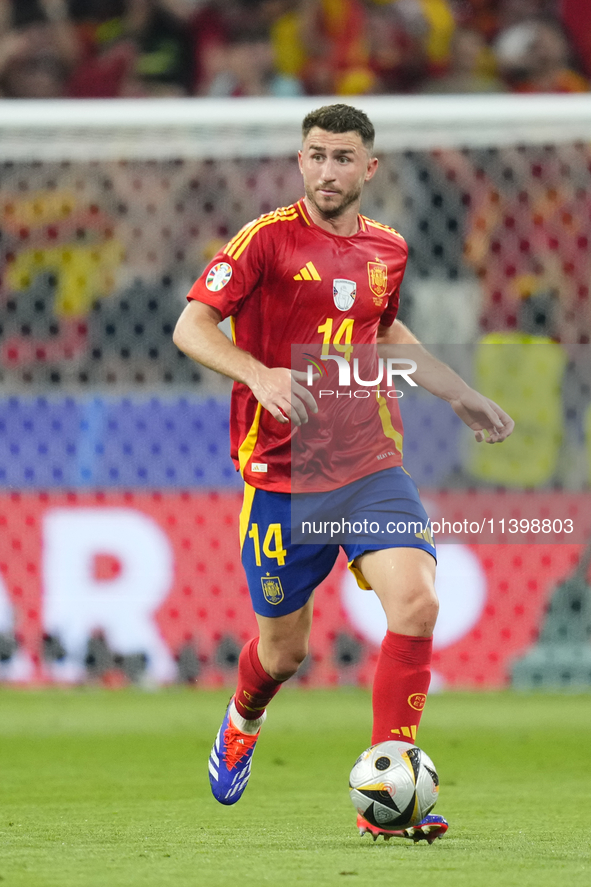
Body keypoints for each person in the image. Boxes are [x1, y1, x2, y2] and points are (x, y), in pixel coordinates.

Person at [173, 103, 514, 842]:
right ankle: (242, 717)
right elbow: (191, 324)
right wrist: (258, 372)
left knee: (417, 604)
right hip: (281, 478)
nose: (327, 170)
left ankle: (393, 787)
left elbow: (383, 328)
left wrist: (459, 392)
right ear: (301, 161)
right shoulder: (264, 241)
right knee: (282, 652)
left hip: (367, 465)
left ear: (370, 167)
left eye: (341, 157)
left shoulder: (387, 249)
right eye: (315, 155)